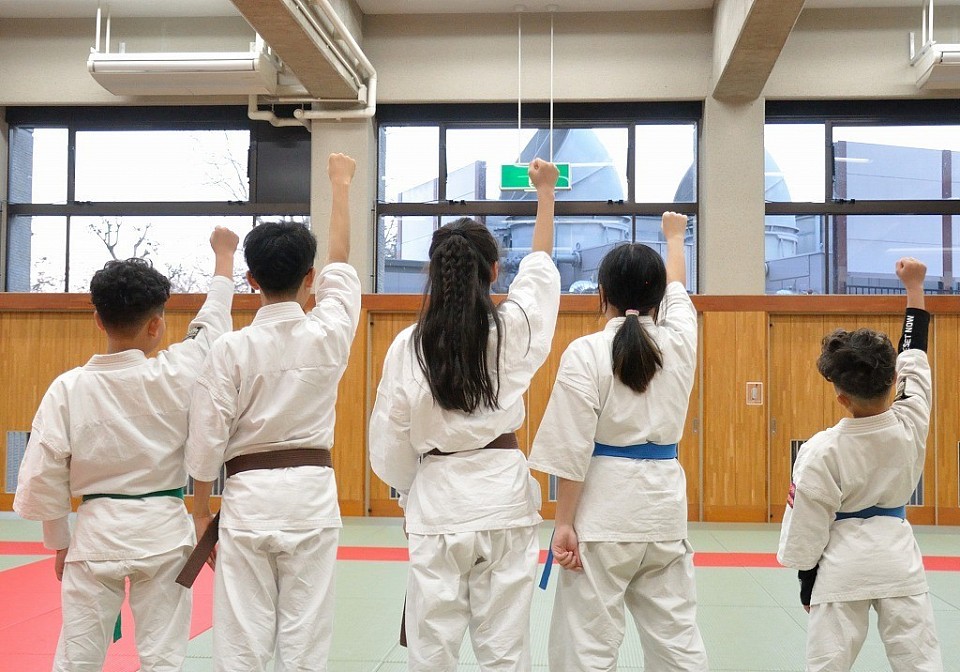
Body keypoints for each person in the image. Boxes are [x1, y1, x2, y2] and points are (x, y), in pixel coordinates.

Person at [13, 227, 239, 672]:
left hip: (95, 538)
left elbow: (44, 474)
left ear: (97, 320)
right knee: (163, 658)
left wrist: (60, 542)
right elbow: (213, 324)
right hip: (163, 537)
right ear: (157, 324)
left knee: (77, 658)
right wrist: (224, 257)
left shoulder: (68, 389)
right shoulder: (177, 372)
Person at [369, 159, 561, 671]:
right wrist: (545, 195)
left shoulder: (409, 346)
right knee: (505, 651)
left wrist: (413, 491)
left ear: (434, 273)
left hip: (438, 503)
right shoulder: (513, 330)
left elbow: (390, 440)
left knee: (431, 651)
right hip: (503, 501)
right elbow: (539, 274)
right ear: (494, 272)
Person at [183, 153, 361, 672]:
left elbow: (206, 437)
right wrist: (340, 184)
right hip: (311, 499)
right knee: (306, 641)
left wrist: (200, 511)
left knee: (241, 642)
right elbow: (341, 260)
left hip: (248, 502)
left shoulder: (230, 349)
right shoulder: (329, 331)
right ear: (311, 277)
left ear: (250, 280)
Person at [527, 212, 708, 672]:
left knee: (586, 645)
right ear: (659, 299)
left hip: (603, 512)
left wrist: (563, 524)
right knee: (677, 642)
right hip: (664, 511)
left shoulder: (586, 352)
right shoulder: (681, 340)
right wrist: (675, 238)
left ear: (601, 294)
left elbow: (572, 449)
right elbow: (679, 288)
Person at [777, 257, 943, 672]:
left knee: (827, 665)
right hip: (899, 562)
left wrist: (806, 582)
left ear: (841, 397)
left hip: (841, 569)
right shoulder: (911, 420)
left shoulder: (820, 450)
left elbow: (807, 527)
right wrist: (914, 288)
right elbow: (914, 355)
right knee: (920, 661)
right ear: (894, 382)